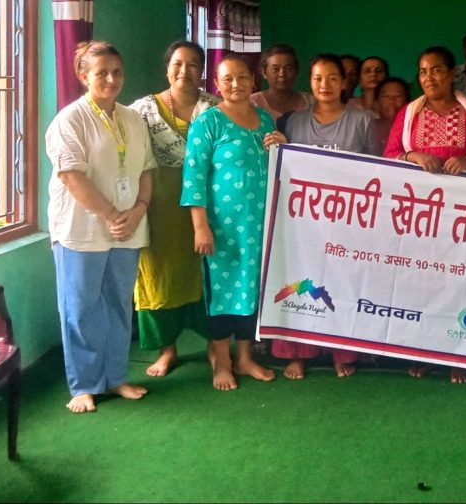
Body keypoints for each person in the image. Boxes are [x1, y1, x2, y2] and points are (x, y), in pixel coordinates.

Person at [45, 40, 157, 413]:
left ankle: (116, 377)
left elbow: (146, 169)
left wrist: (140, 209)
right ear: (83, 76)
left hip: (128, 227)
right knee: (80, 308)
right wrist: (112, 214)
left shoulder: (132, 118)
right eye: (101, 73)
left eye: (117, 72)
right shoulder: (70, 120)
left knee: (118, 304)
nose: (111, 79)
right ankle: (84, 385)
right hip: (82, 229)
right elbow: (72, 176)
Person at [383, 45, 466, 383]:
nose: (429, 77)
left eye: (436, 70)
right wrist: (414, 156)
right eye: (423, 71)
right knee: (423, 282)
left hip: (461, 218)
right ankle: (426, 352)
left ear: (452, 74)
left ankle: (459, 356)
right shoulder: (409, 114)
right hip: (420, 217)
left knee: (460, 281)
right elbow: (390, 153)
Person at [181, 53, 286, 390]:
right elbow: (193, 176)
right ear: (216, 85)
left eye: (242, 77)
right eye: (227, 79)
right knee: (224, 293)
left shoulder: (266, 120)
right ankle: (222, 361)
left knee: (251, 289)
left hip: (259, 225)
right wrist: (200, 225)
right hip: (221, 227)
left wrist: (282, 147)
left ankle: (244, 357)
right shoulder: (208, 122)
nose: (236, 85)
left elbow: (278, 167)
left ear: (253, 81)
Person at [271, 54, 376, 379]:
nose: (325, 85)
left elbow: (378, 172)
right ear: (310, 82)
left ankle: (342, 353)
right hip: (303, 222)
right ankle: (297, 354)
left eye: (332, 78)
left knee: (342, 285)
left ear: (344, 82)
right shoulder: (293, 121)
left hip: (348, 221)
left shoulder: (362, 121)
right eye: (318, 78)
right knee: (301, 284)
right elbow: (284, 165)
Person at [129, 40, 218, 377]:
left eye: (193, 64)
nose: (185, 71)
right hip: (159, 204)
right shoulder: (141, 110)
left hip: (208, 204)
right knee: (159, 273)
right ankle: (168, 350)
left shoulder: (215, 108)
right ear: (167, 69)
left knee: (207, 273)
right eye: (178, 64)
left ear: (202, 71)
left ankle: (215, 345)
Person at [250, 43, 313, 121]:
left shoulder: (310, 103)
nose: (282, 74)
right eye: (275, 69)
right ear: (264, 72)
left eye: (288, 68)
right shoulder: (252, 103)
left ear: (296, 71)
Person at [372, 76, 410, 155]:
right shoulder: (367, 127)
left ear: (408, 102)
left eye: (398, 96)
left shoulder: (414, 130)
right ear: (376, 103)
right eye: (386, 96)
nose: (391, 100)